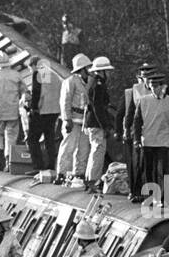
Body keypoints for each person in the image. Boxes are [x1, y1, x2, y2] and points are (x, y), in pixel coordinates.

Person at [132, 71, 169, 195]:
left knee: (164, 170)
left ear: (162, 86)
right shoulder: (143, 101)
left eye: (156, 86)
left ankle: (165, 195)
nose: (154, 90)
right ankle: (150, 195)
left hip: (163, 140)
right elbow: (137, 122)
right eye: (152, 87)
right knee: (148, 170)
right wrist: (136, 139)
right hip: (147, 140)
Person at [118, 63, 153, 199]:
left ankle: (150, 192)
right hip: (138, 130)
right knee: (137, 163)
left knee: (151, 164)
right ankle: (136, 191)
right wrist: (127, 129)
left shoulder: (161, 90)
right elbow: (129, 112)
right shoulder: (134, 90)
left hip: (154, 131)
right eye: (144, 75)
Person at [56, 53, 92, 183]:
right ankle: (61, 173)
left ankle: (79, 173)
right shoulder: (70, 82)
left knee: (83, 148)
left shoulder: (91, 82)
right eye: (88, 67)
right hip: (73, 119)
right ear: (82, 69)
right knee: (68, 147)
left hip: (85, 120)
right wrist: (67, 119)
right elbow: (64, 101)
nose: (90, 70)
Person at [25, 59, 61, 175]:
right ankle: (51, 166)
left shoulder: (39, 73)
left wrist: (33, 108)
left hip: (42, 112)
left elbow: (37, 93)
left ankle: (38, 166)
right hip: (54, 111)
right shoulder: (55, 75)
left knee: (32, 139)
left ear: (35, 65)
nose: (31, 71)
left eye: (31, 68)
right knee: (49, 139)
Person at [82, 56, 114, 189]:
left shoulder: (94, 82)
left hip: (92, 122)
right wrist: (105, 125)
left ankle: (90, 178)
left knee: (95, 151)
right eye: (107, 71)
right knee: (98, 151)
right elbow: (98, 107)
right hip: (96, 123)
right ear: (102, 71)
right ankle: (93, 180)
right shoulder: (98, 85)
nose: (109, 74)